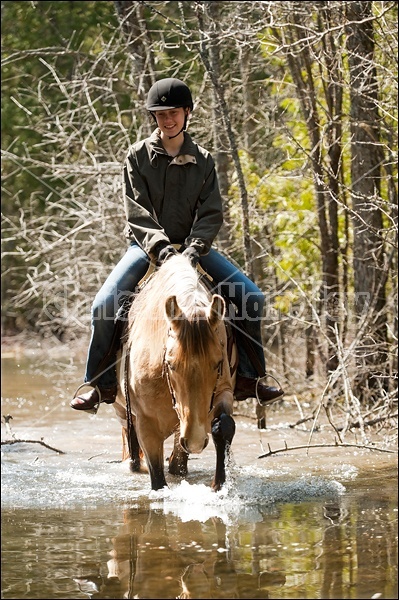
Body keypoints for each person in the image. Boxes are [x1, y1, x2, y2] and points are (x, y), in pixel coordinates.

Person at [70, 77, 285, 412]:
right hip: (146, 250)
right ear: (153, 118)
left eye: (173, 112)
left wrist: (194, 248)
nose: (167, 119)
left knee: (252, 297)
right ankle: (99, 384)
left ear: (187, 112)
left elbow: (211, 212)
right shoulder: (137, 157)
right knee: (104, 305)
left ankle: (251, 377)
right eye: (160, 114)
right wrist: (162, 249)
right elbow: (137, 212)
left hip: (194, 250)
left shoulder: (204, 160)